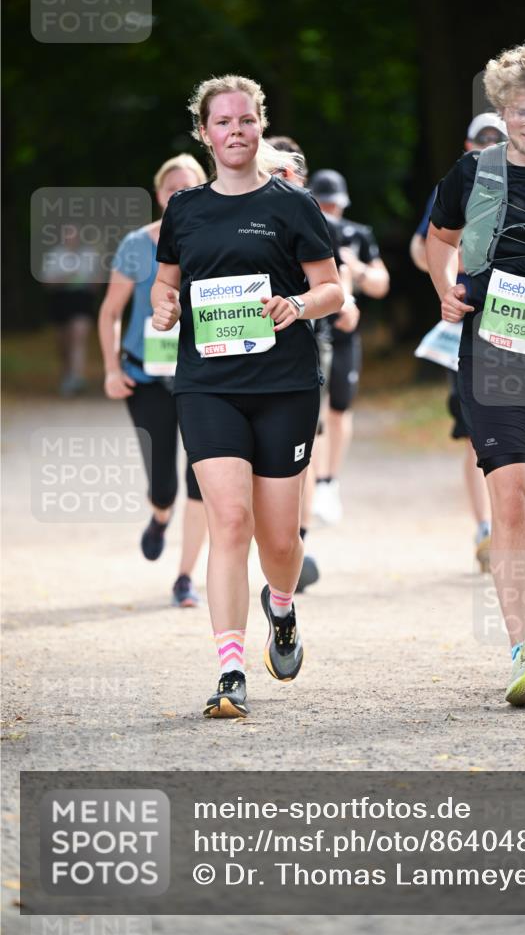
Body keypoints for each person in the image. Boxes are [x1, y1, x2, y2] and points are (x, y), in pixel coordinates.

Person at [151, 75, 343, 719]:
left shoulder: (293, 204)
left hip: (284, 385)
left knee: (279, 539)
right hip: (207, 385)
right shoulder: (185, 210)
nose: (235, 131)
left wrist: (294, 303)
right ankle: (230, 669)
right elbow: (165, 284)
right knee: (228, 519)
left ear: (260, 126)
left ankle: (281, 607)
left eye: (246, 120)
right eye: (222, 123)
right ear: (204, 134)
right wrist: (164, 306)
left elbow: (332, 291)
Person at [426, 42, 525, 707]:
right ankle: (521, 650)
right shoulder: (468, 174)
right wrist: (444, 288)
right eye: (519, 112)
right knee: (512, 496)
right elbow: (438, 239)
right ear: (500, 109)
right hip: (488, 348)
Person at [98, 154, 209, 607]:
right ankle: (160, 515)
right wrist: (110, 369)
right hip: (146, 374)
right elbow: (110, 313)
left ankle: (185, 578)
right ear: (159, 194)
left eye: (189, 186)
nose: (179, 194)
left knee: (203, 477)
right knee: (164, 482)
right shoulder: (135, 245)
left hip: (204, 373)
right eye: (171, 188)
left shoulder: (214, 239)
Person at [411, 114, 507, 571]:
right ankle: (486, 527)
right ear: (468, 142)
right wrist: (446, 280)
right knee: (474, 431)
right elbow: (424, 244)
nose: (487, 146)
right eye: (480, 140)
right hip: (467, 319)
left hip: (523, 318)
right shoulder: (455, 183)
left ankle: (513, 526)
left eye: (496, 140)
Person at [266, 137, 359, 592]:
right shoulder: (232, 212)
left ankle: (296, 544)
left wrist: (346, 301)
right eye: (278, 168)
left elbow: (336, 279)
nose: (286, 177)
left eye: (292, 170)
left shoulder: (310, 216)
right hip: (239, 356)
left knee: (300, 450)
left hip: (307, 344)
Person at [309, 169, 390, 525]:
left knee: (341, 407)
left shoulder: (358, 235)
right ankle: (315, 481)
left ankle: (330, 481)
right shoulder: (308, 228)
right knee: (314, 415)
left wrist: (356, 270)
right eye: (323, 203)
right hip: (313, 328)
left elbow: (380, 283)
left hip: (344, 332)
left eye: (334, 204)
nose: (330, 210)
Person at [42, 225, 99, 396]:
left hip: (82, 301)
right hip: (60, 301)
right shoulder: (55, 255)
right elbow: (46, 283)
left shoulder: (89, 255)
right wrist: (65, 278)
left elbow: (96, 283)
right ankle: (67, 375)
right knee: (64, 343)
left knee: (78, 335)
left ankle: (77, 376)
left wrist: (89, 282)